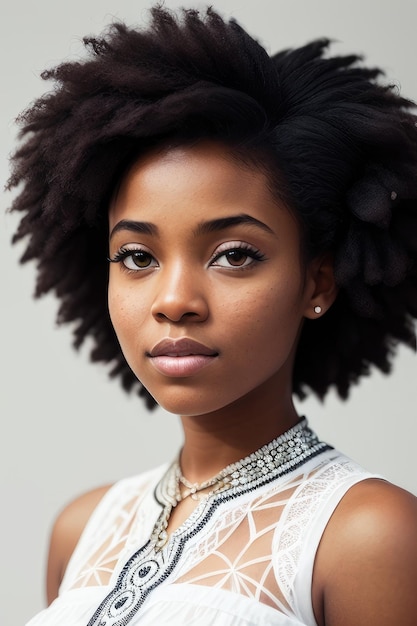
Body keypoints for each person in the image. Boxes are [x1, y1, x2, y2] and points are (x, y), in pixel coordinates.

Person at [7, 5, 417, 626]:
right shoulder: (80, 529)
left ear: (317, 282)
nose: (174, 300)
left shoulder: (369, 537)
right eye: (138, 255)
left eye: (233, 255)